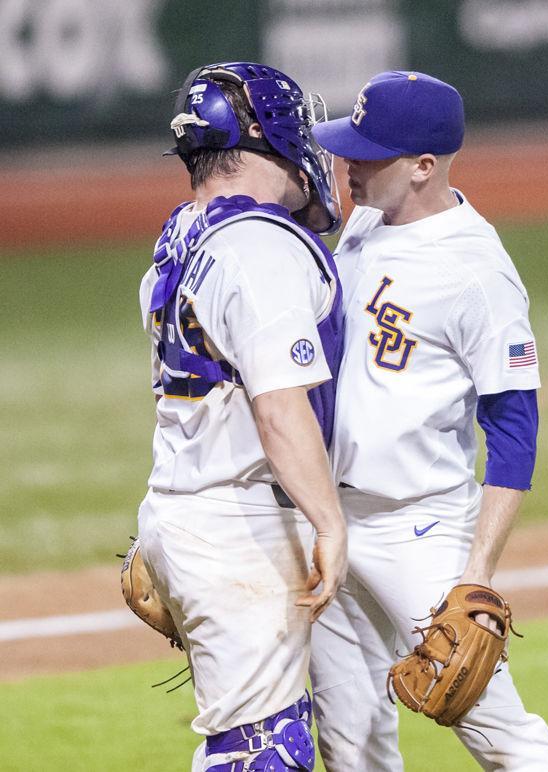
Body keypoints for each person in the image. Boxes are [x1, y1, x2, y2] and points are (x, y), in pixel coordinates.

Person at [308, 71, 548, 770]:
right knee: (349, 739)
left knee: (499, 735)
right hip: (329, 521)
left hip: (416, 529)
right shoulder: (365, 221)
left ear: (424, 166)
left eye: (369, 153)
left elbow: (515, 430)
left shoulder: (477, 272)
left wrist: (476, 578)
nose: (349, 165)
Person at [136, 61, 347, 772]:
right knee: (261, 752)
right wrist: (329, 522)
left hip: (187, 506)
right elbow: (280, 407)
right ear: (271, 135)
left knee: (258, 740)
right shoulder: (257, 244)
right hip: (234, 524)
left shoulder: (182, 233)